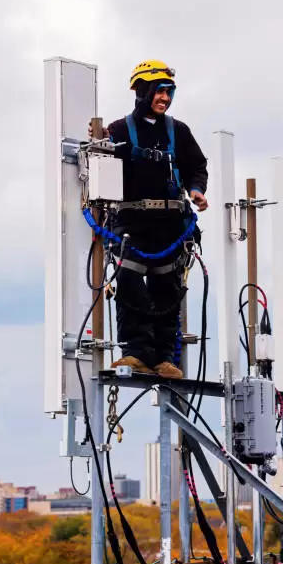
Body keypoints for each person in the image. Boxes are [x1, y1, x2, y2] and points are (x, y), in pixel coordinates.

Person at [90, 60, 208, 378]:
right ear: (143, 90)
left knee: (166, 289)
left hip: (170, 224)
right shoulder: (117, 131)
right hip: (132, 222)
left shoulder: (178, 131)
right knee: (129, 284)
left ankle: (163, 358)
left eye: (169, 92)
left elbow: (197, 166)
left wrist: (196, 190)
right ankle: (135, 353)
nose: (165, 98)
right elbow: (99, 162)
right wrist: (99, 142)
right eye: (160, 91)